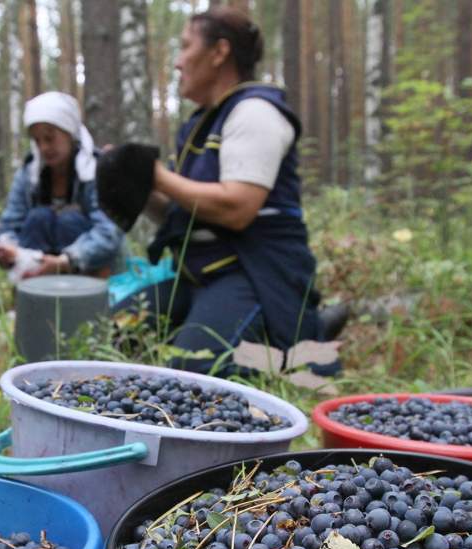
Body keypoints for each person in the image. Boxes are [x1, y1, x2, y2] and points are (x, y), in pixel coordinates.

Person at [109, 7, 343, 374]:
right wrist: (134, 185)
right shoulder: (203, 123)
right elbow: (183, 210)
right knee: (113, 335)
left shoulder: (256, 113)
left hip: (252, 273)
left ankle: (295, 341)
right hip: (197, 275)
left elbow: (238, 208)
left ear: (219, 52)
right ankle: (278, 332)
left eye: (185, 47)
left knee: (190, 373)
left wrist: (155, 175)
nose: (177, 63)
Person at [0, 92, 123, 281]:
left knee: (69, 220)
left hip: (88, 271)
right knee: (39, 218)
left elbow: (108, 232)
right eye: (37, 141)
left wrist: (66, 260)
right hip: (39, 268)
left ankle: (88, 300)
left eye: (49, 138)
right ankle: (34, 296)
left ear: (69, 133)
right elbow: (9, 225)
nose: (44, 147)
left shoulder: (96, 169)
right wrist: (7, 249)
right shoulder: (29, 175)